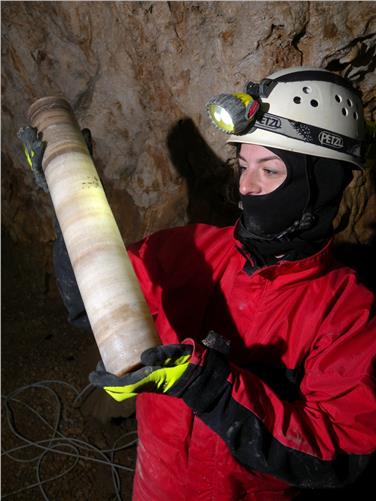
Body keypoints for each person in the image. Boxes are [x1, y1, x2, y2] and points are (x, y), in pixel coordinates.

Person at [20, 67, 376, 500]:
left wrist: (203, 383)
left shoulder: (348, 312)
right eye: (243, 165)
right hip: (155, 486)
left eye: (270, 171)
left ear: (320, 183)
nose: (245, 186)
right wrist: (67, 205)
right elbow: (86, 307)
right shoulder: (194, 248)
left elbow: (336, 454)